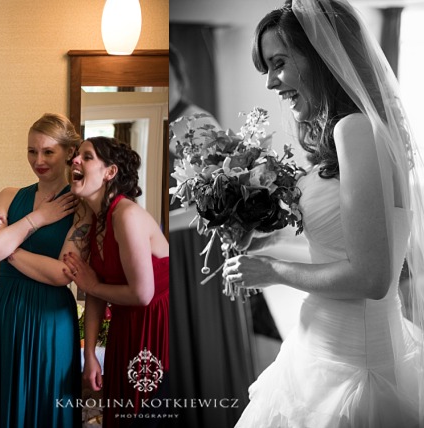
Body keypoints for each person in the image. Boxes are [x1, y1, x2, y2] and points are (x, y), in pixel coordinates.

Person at [225, 0, 424, 426]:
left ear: (319, 58)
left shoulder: (356, 129)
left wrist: (271, 270)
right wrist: (267, 240)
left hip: (353, 370)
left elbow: (371, 277)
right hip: (319, 354)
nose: (273, 83)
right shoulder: (351, 132)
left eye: (279, 63)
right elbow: (339, 246)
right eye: (267, 69)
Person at [0, 113, 82, 427]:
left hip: (50, 318)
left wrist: (8, 247)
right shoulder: (10, 195)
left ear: (69, 152)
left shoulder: (80, 204)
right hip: (4, 311)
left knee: (43, 401)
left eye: (49, 151)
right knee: (1, 398)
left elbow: (62, 273)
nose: (38, 160)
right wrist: (38, 218)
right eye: (32, 151)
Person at [167, 44, 256, 426]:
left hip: (195, 246)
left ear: (180, 80)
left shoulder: (196, 121)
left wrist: (160, 225)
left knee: (203, 338)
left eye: (166, 79)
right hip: (169, 248)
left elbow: (220, 201)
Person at [58, 136, 169, 428]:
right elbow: (95, 292)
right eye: (76, 156)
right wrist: (91, 354)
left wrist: (92, 285)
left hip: (155, 326)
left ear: (110, 172)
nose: (75, 161)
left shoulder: (127, 215)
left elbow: (143, 294)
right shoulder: (97, 221)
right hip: (124, 329)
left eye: (87, 156)